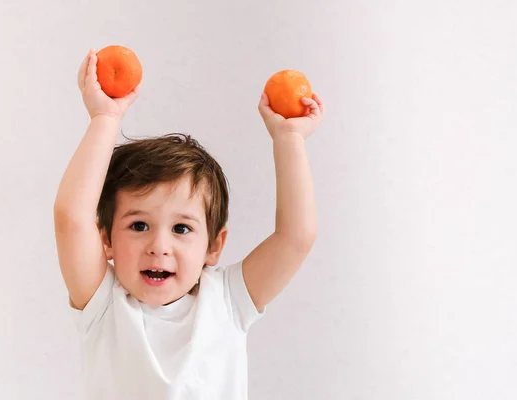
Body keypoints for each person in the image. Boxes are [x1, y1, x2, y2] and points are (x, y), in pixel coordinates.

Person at [53, 48, 325, 399]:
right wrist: (104, 119)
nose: (159, 246)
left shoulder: (227, 299)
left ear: (214, 246)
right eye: (139, 225)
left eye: (181, 229)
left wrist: (289, 140)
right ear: (105, 238)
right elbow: (71, 218)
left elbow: (296, 236)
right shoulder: (103, 305)